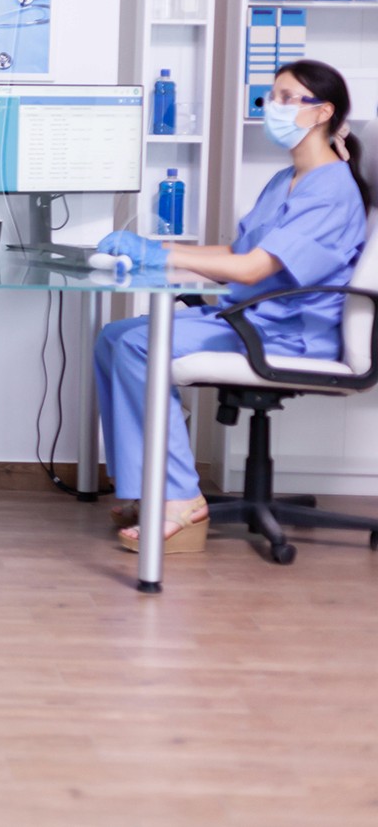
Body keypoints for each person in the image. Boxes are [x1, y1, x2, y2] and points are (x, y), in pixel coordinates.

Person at [94, 60, 370, 553]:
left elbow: (250, 271)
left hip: (288, 331)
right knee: (113, 337)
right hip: (254, 316)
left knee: (138, 344)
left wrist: (161, 254)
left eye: (287, 98)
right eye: (271, 96)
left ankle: (180, 498)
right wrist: (162, 252)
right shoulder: (288, 178)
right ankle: (148, 485)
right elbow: (237, 254)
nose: (273, 107)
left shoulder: (331, 189)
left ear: (322, 112)